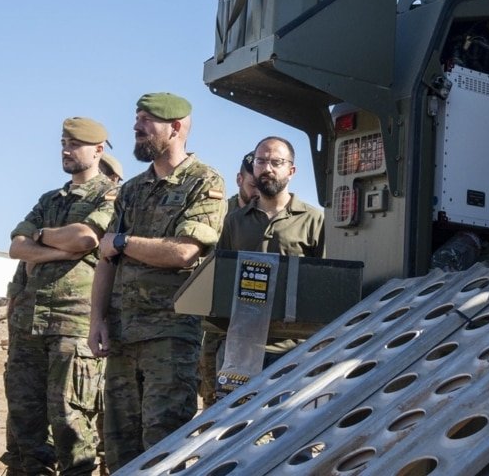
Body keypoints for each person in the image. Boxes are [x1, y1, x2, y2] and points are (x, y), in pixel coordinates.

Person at [91, 93, 227, 470]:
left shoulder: (204, 183)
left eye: (146, 120)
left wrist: (122, 242)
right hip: (121, 335)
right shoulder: (132, 189)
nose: (136, 127)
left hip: (170, 337)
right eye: (136, 118)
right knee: (118, 447)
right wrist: (97, 320)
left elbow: (183, 252)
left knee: (164, 447)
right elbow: (105, 258)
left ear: (176, 128)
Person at [2, 118, 117, 476]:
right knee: (24, 422)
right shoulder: (49, 200)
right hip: (28, 324)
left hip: (74, 324)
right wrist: (56, 245)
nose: (66, 150)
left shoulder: (111, 195)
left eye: (75, 144)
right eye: (63, 143)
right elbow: (17, 247)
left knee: (71, 422)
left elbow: (85, 239)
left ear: (98, 150)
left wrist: (45, 240)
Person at [217, 136, 325, 370]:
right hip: (240, 348)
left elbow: (326, 286)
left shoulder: (313, 219)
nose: (267, 168)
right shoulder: (234, 221)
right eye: (260, 161)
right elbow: (221, 281)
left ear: (291, 170)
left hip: (294, 349)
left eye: (276, 162)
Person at [198, 151, 259, 407]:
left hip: (259, 323)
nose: (258, 193)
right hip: (220, 323)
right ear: (239, 179)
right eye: (252, 185)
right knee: (215, 398)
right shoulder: (220, 215)